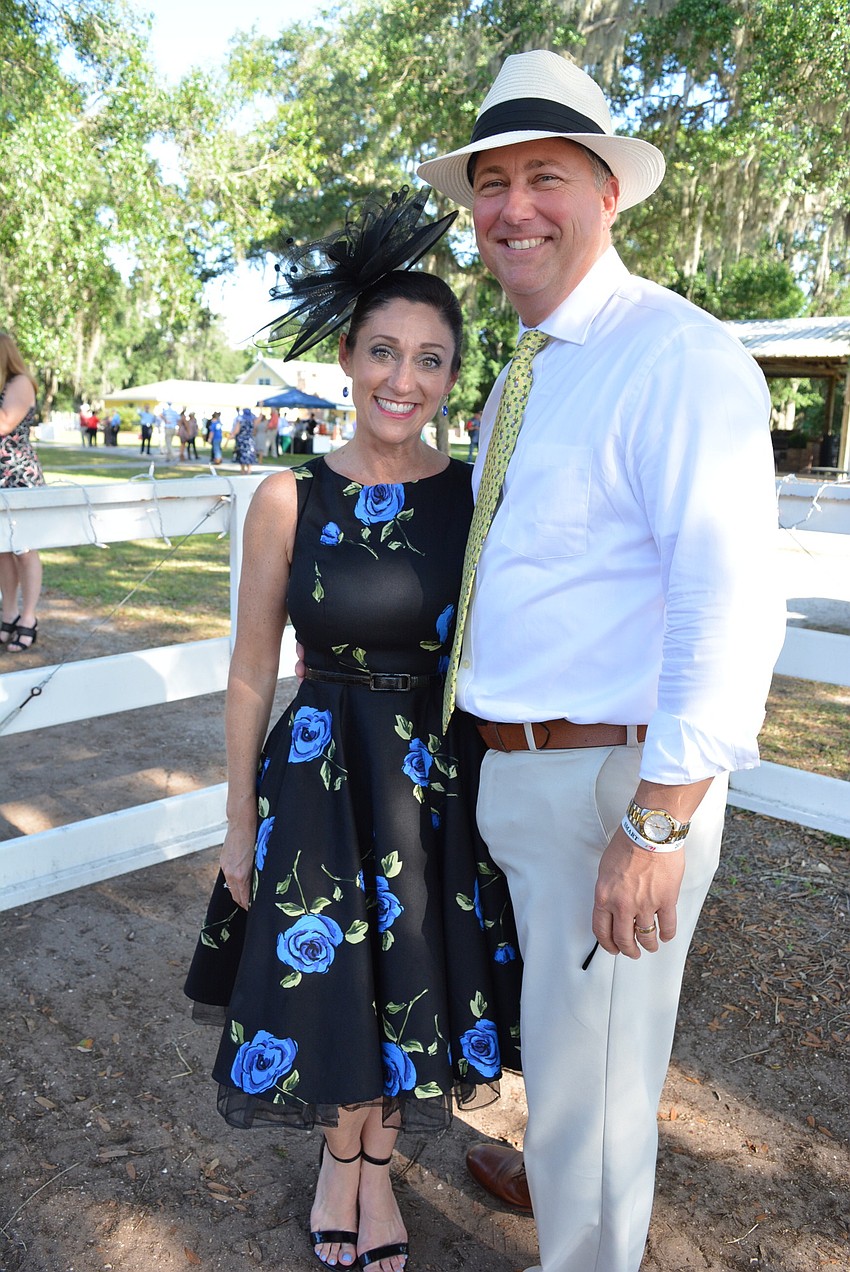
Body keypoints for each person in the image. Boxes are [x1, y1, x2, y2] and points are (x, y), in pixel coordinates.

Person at [417, 50, 785, 1272]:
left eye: (546, 177)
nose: (513, 207)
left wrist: (661, 821)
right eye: (492, 183)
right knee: (567, 1070)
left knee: (600, 1102)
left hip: (612, 789)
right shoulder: (527, 370)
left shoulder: (671, 356)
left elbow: (726, 593)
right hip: (521, 776)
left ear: (607, 193)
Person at [184, 187, 522, 1272]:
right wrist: (238, 822)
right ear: (346, 355)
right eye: (384, 351)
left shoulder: (474, 499)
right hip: (318, 771)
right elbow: (247, 675)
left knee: (411, 977)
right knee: (329, 984)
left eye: (430, 360)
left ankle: (377, 1167)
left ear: (450, 378)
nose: (403, 380)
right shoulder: (289, 496)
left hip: (432, 778)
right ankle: (347, 1166)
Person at [0, 330, 44, 653]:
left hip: (19, 477)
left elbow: (4, 423)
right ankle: (9, 612)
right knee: (2, 550)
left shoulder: (20, 383)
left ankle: (28, 618)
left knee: (24, 550)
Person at [230, 407, 258, 473]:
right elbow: (254, 431)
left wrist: (232, 435)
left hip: (242, 439)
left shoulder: (240, 419)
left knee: (242, 454)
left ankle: (242, 470)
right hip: (250, 439)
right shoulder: (253, 420)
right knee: (250, 454)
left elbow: (236, 430)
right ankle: (249, 470)